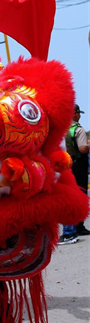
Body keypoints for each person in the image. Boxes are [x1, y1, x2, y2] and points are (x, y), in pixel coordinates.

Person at [59, 104, 90, 244]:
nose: (80, 115)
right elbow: (83, 149)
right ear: (75, 114)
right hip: (78, 165)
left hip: (65, 165)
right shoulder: (77, 129)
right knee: (81, 194)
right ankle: (75, 228)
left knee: (71, 195)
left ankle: (76, 227)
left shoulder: (61, 130)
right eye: (78, 113)